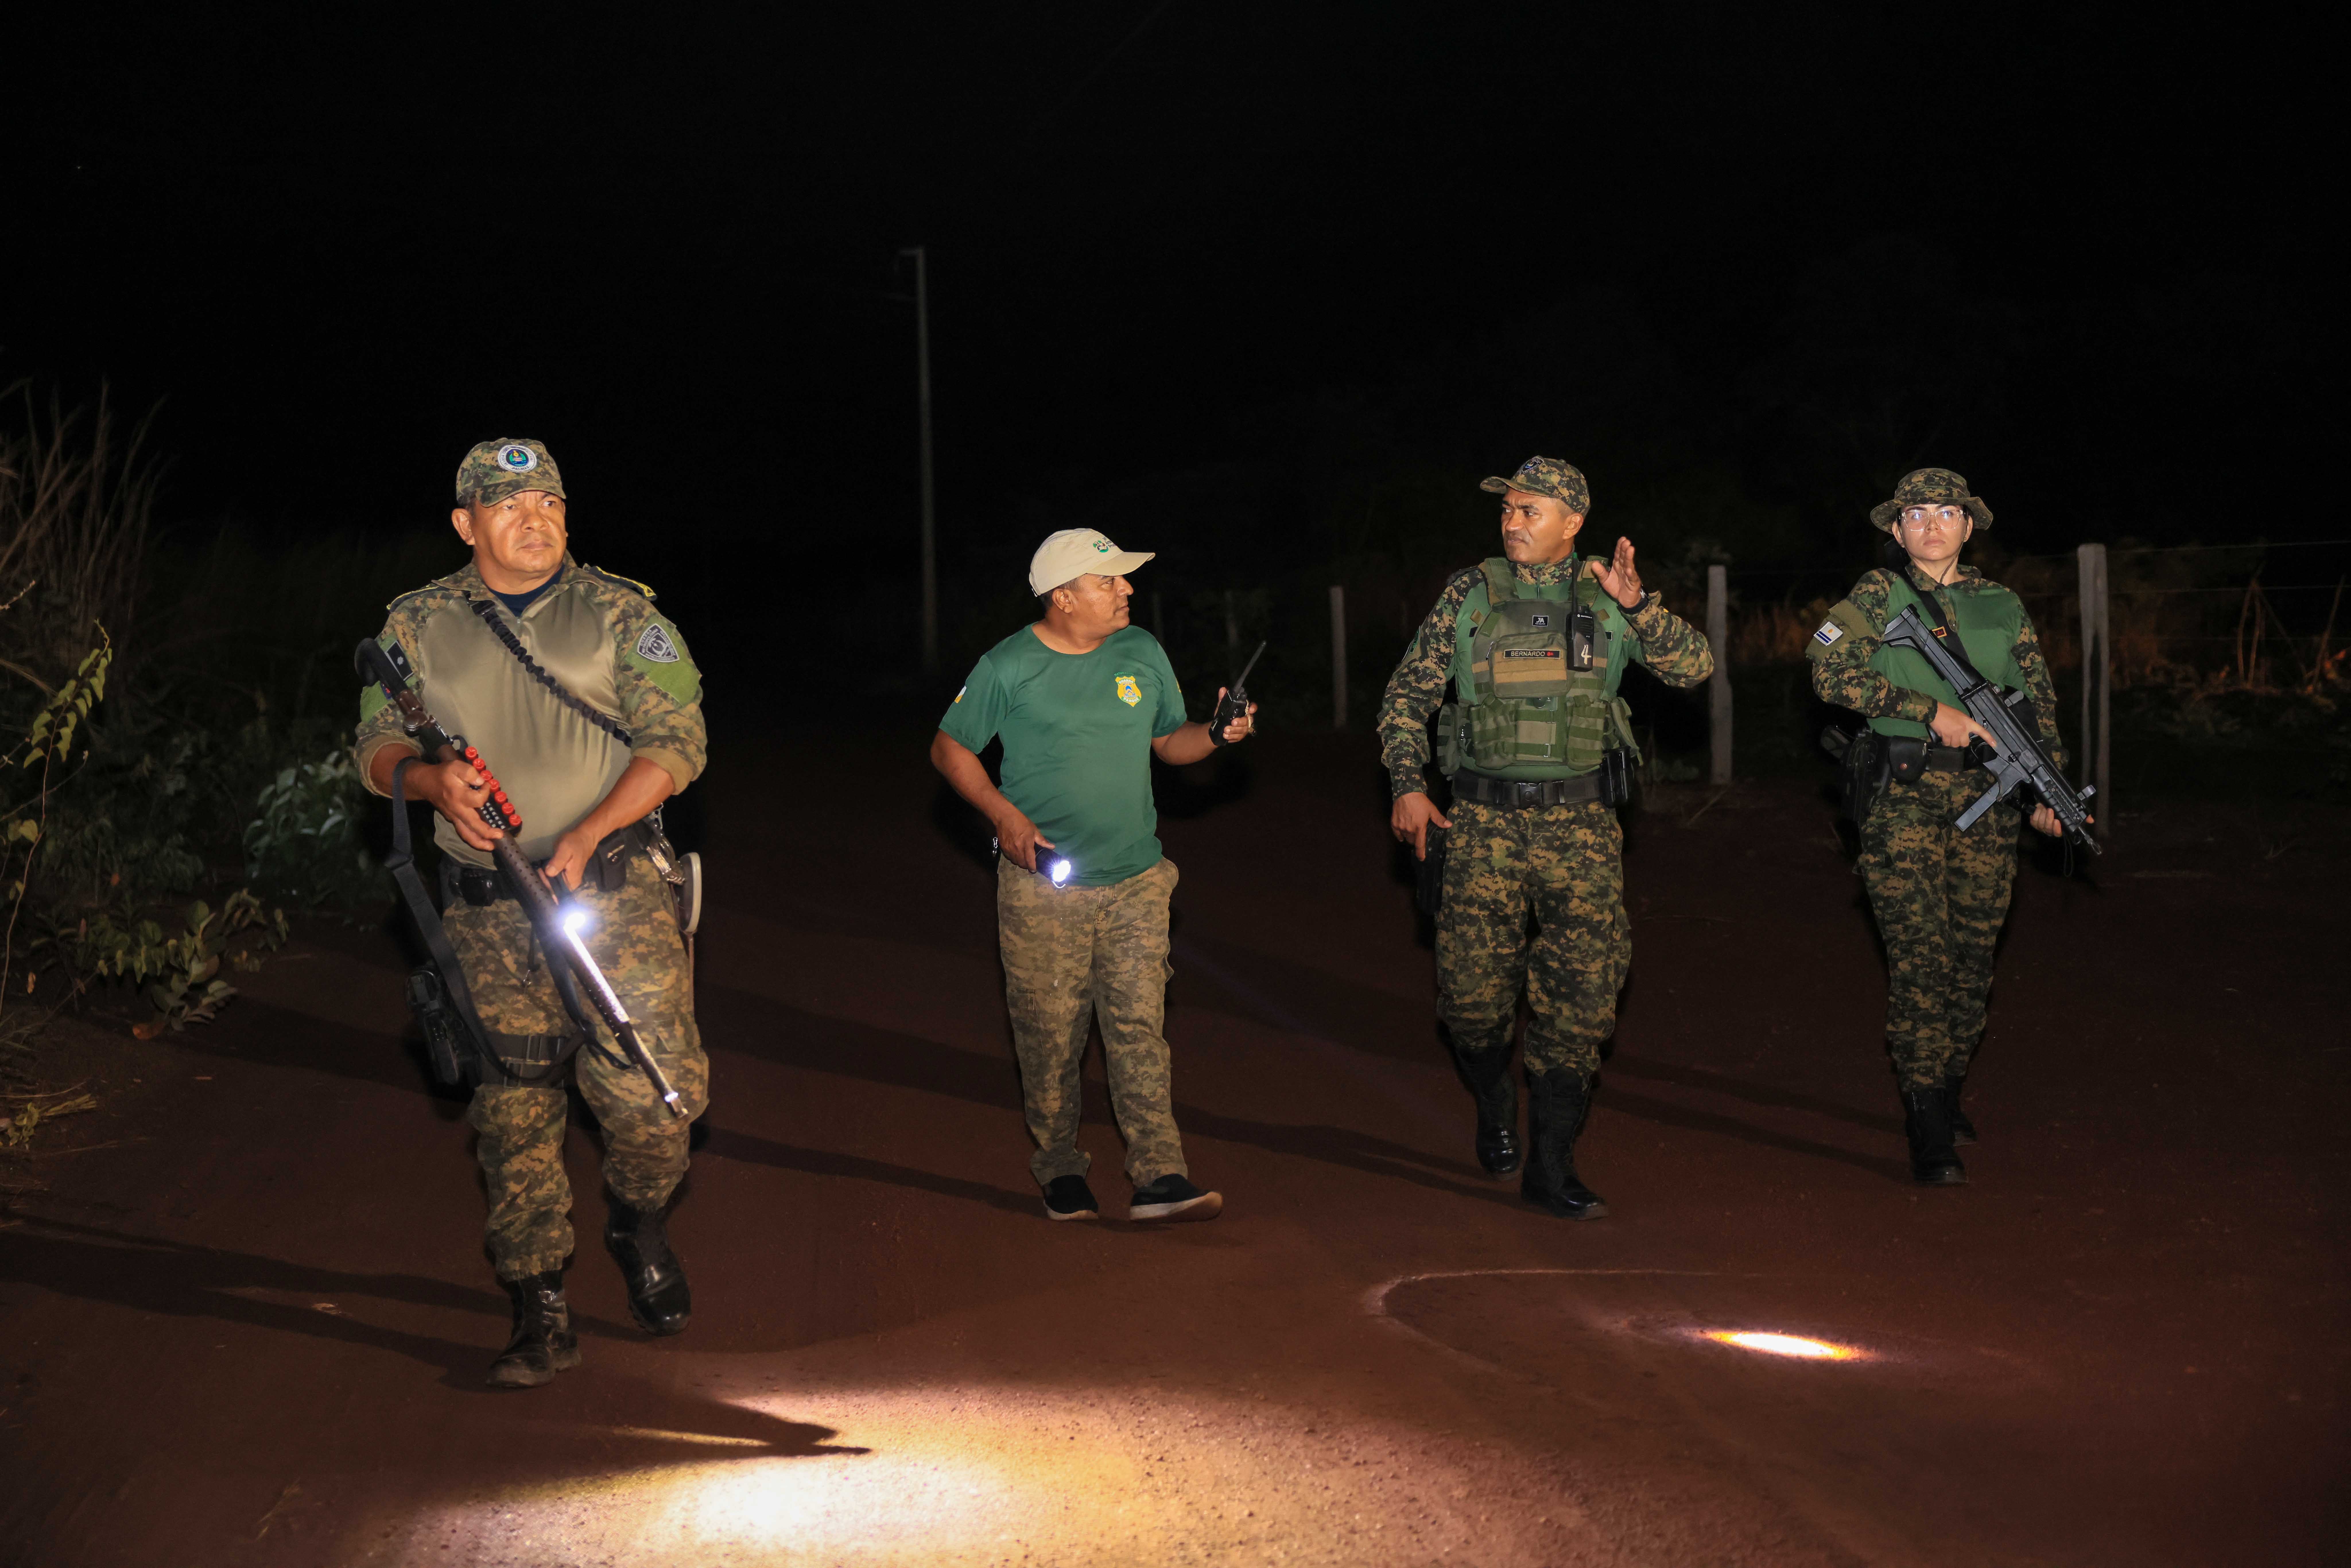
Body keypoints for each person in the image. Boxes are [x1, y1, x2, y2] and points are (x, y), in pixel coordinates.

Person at [352, 438, 710, 1387]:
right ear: (467, 523)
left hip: (615, 894)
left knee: (659, 1098)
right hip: (482, 907)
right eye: (509, 506)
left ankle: (637, 1220)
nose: (535, 518)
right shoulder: (418, 625)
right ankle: (539, 1302)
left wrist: (589, 833)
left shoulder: (620, 612)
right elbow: (373, 745)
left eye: (549, 501)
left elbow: (678, 742)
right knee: (512, 1111)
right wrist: (425, 778)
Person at [1377, 457, 1714, 1219]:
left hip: (1583, 830)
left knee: (1582, 1003)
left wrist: (1643, 609)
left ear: (1574, 522)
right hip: (1481, 826)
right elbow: (1409, 694)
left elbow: (1695, 668)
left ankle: (1552, 1165)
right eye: (1508, 510)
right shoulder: (1469, 595)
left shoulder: (1610, 599)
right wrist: (1406, 781)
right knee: (1469, 1006)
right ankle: (1495, 1101)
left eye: (1531, 511)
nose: (1513, 521)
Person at [930, 529, 1254, 1224]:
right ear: (1063, 595)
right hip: (1046, 884)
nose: (1126, 590)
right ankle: (1058, 1164)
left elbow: (1171, 741)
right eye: (1109, 582)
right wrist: (1003, 817)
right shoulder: (1008, 666)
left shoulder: (1140, 650)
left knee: (1138, 1025)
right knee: (1050, 1035)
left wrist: (1218, 733)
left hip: (1138, 877)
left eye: (1123, 580)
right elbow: (950, 747)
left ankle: (1160, 1173)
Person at [1807, 467, 2066, 1185]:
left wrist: (2051, 788)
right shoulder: (1874, 595)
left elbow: (2037, 703)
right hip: (1902, 797)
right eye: (1915, 513)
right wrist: (1930, 712)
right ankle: (1925, 1118)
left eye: (1946, 512)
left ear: (1969, 525)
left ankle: (1946, 1087)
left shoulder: (2001, 604)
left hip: (1988, 798)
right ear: (1896, 531)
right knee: (1920, 955)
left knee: (1972, 957)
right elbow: (1827, 670)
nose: (1930, 523)